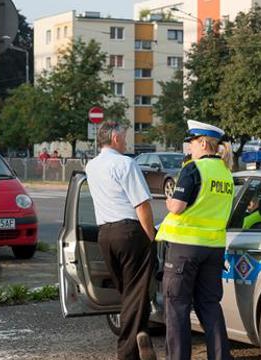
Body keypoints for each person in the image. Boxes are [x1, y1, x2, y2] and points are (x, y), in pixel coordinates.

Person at [156, 120, 235, 360]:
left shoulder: (193, 169)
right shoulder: (225, 173)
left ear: (202, 142)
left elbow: (178, 207)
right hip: (213, 249)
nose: (189, 147)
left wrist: (168, 200)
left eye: (191, 142)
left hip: (184, 250)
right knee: (209, 305)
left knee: (177, 307)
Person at [85, 122, 157, 360]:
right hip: (130, 233)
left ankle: (141, 336)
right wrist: (151, 237)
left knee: (128, 292)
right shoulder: (126, 164)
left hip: (104, 235)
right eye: (124, 137)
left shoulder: (91, 166)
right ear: (115, 138)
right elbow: (142, 205)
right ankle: (127, 352)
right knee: (136, 292)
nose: (127, 141)